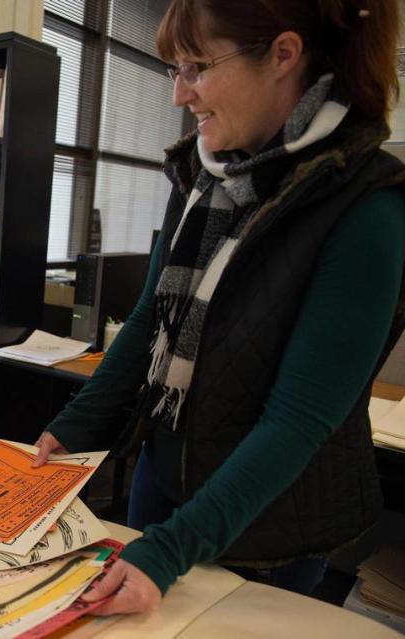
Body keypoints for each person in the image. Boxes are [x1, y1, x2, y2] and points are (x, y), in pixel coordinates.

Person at [33, 0, 405, 616]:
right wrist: (71, 428)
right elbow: (153, 318)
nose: (180, 94)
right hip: (164, 483)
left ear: (284, 55)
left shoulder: (367, 204)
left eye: (197, 67)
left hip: (267, 524)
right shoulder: (203, 178)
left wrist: (166, 552)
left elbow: (300, 419)